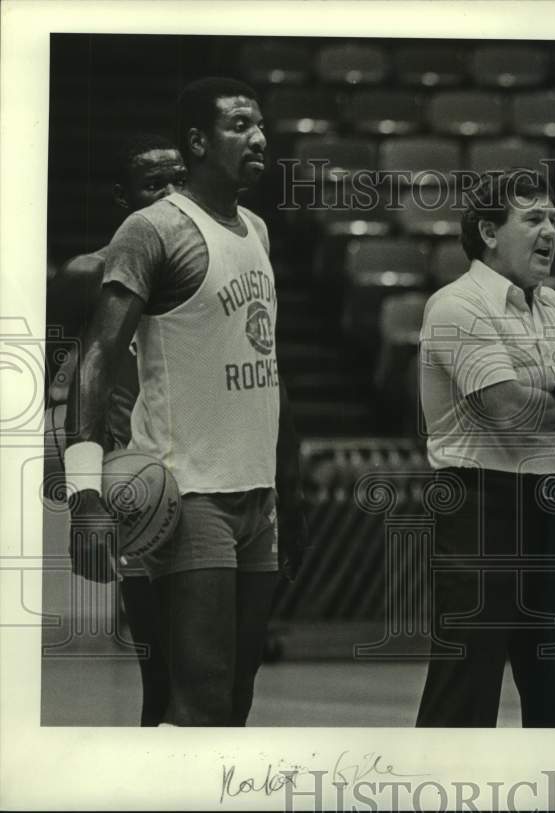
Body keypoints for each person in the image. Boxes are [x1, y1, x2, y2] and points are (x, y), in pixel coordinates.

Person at [64, 77, 307, 726]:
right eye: (237, 125)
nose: (257, 137)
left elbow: (264, 367)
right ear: (197, 142)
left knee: (233, 703)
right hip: (188, 492)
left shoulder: (256, 228)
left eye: (260, 125)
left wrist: (289, 484)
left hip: (257, 496)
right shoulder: (153, 230)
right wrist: (85, 495)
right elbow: (96, 359)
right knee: (194, 700)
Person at [416, 169, 555, 727]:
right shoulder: (456, 305)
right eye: (533, 219)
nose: (550, 232)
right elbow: (509, 413)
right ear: (489, 232)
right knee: (466, 688)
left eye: (554, 220)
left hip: (545, 503)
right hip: (477, 506)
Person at [47, 132, 187, 726]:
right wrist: (76, 463)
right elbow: (53, 373)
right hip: (137, 483)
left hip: (208, 470)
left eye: (178, 181)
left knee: (220, 670)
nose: (170, 196)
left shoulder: (213, 264)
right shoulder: (88, 274)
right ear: (120, 197)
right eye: (154, 185)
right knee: (165, 672)